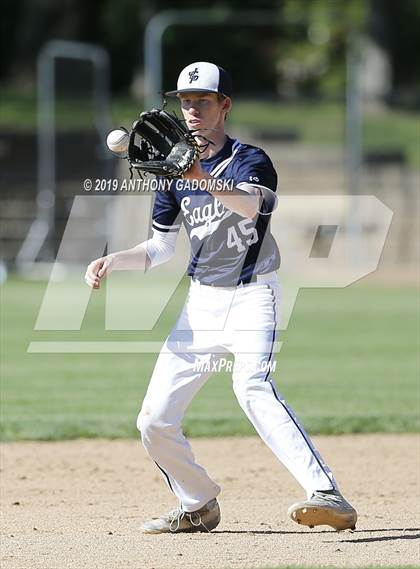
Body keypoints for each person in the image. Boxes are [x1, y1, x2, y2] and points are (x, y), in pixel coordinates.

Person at [85, 62, 357, 534]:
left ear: (224, 106)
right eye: (185, 101)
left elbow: (253, 204)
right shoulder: (171, 174)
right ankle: (198, 503)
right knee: (154, 420)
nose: (191, 109)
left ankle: (327, 493)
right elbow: (160, 247)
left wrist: (196, 173)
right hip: (200, 306)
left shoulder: (251, 158)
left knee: (252, 386)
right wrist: (114, 260)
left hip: (254, 297)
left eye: (202, 101)